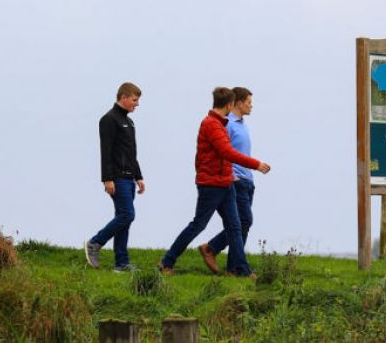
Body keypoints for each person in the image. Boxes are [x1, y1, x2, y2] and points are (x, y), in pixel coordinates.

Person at [159, 87, 270, 277]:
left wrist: (230, 175)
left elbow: (222, 157)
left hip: (225, 184)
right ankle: (167, 261)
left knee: (235, 227)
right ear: (229, 104)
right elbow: (227, 152)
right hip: (211, 186)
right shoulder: (211, 124)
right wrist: (256, 164)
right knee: (198, 225)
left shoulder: (220, 123)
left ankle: (242, 270)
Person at [86, 82, 145, 271]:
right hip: (117, 177)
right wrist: (107, 178)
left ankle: (121, 263)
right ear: (123, 97)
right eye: (135, 100)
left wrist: (139, 176)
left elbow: (131, 153)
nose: (137, 104)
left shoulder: (129, 121)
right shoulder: (109, 119)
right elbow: (106, 151)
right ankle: (95, 243)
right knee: (127, 215)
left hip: (129, 178)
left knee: (124, 219)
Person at [198, 87, 257, 274]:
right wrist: (232, 175)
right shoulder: (227, 124)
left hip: (247, 180)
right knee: (243, 221)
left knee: (241, 224)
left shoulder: (241, 123)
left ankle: (233, 266)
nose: (251, 106)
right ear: (238, 103)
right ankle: (213, 249)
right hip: (236, 180)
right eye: (248, 102)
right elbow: (224, 152)